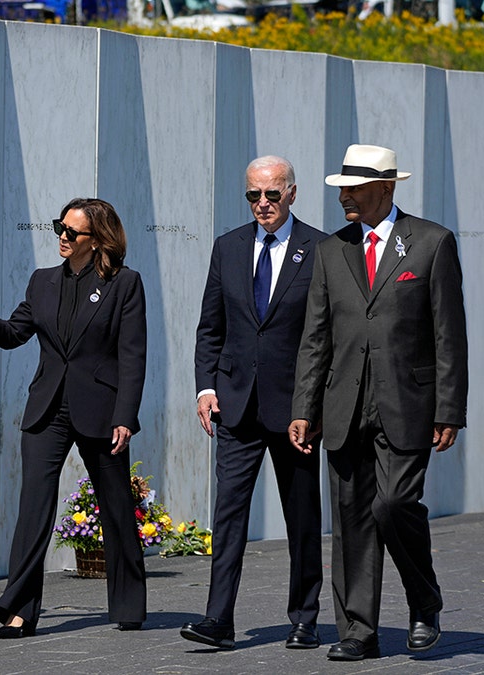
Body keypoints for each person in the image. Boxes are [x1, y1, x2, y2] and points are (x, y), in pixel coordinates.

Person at [289, 144, 467, 661]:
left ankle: (424, 601)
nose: (343, 195)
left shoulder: (432, 243)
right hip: (342, 406)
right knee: (350, 519)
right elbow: (315, 338)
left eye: (354, 187)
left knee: (392, 507)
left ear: (386, 188)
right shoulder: (330, 250)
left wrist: (449, 409)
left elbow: (449, 334)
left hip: (408, 403)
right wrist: (304, 407)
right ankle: (358, 631)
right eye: (341, 187)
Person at [0, 197, 147, 638]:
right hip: (47, 409)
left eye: (72, 232)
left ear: (96, 242)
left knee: (115, 506)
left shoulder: (125, 285)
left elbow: (133, 356)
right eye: (59, 226)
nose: (62, 235)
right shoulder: (41, 282)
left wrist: (125, 416)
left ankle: (129, 605)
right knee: (33, 508)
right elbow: (13, 334)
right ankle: (19, 609)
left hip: (101, 411)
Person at [180, 156, 326, 651]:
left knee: (302, 517)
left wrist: (314, 403)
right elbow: (210, 327)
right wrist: (205, 387)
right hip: (236, 406)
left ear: (292, 193)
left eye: (271, 194)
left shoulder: (322, 249)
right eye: (252, 195)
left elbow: (325, 336)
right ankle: (218, 619)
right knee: (228, 515)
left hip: (295, 411)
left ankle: (305, 616)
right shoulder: (229, 247)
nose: (262, 203)